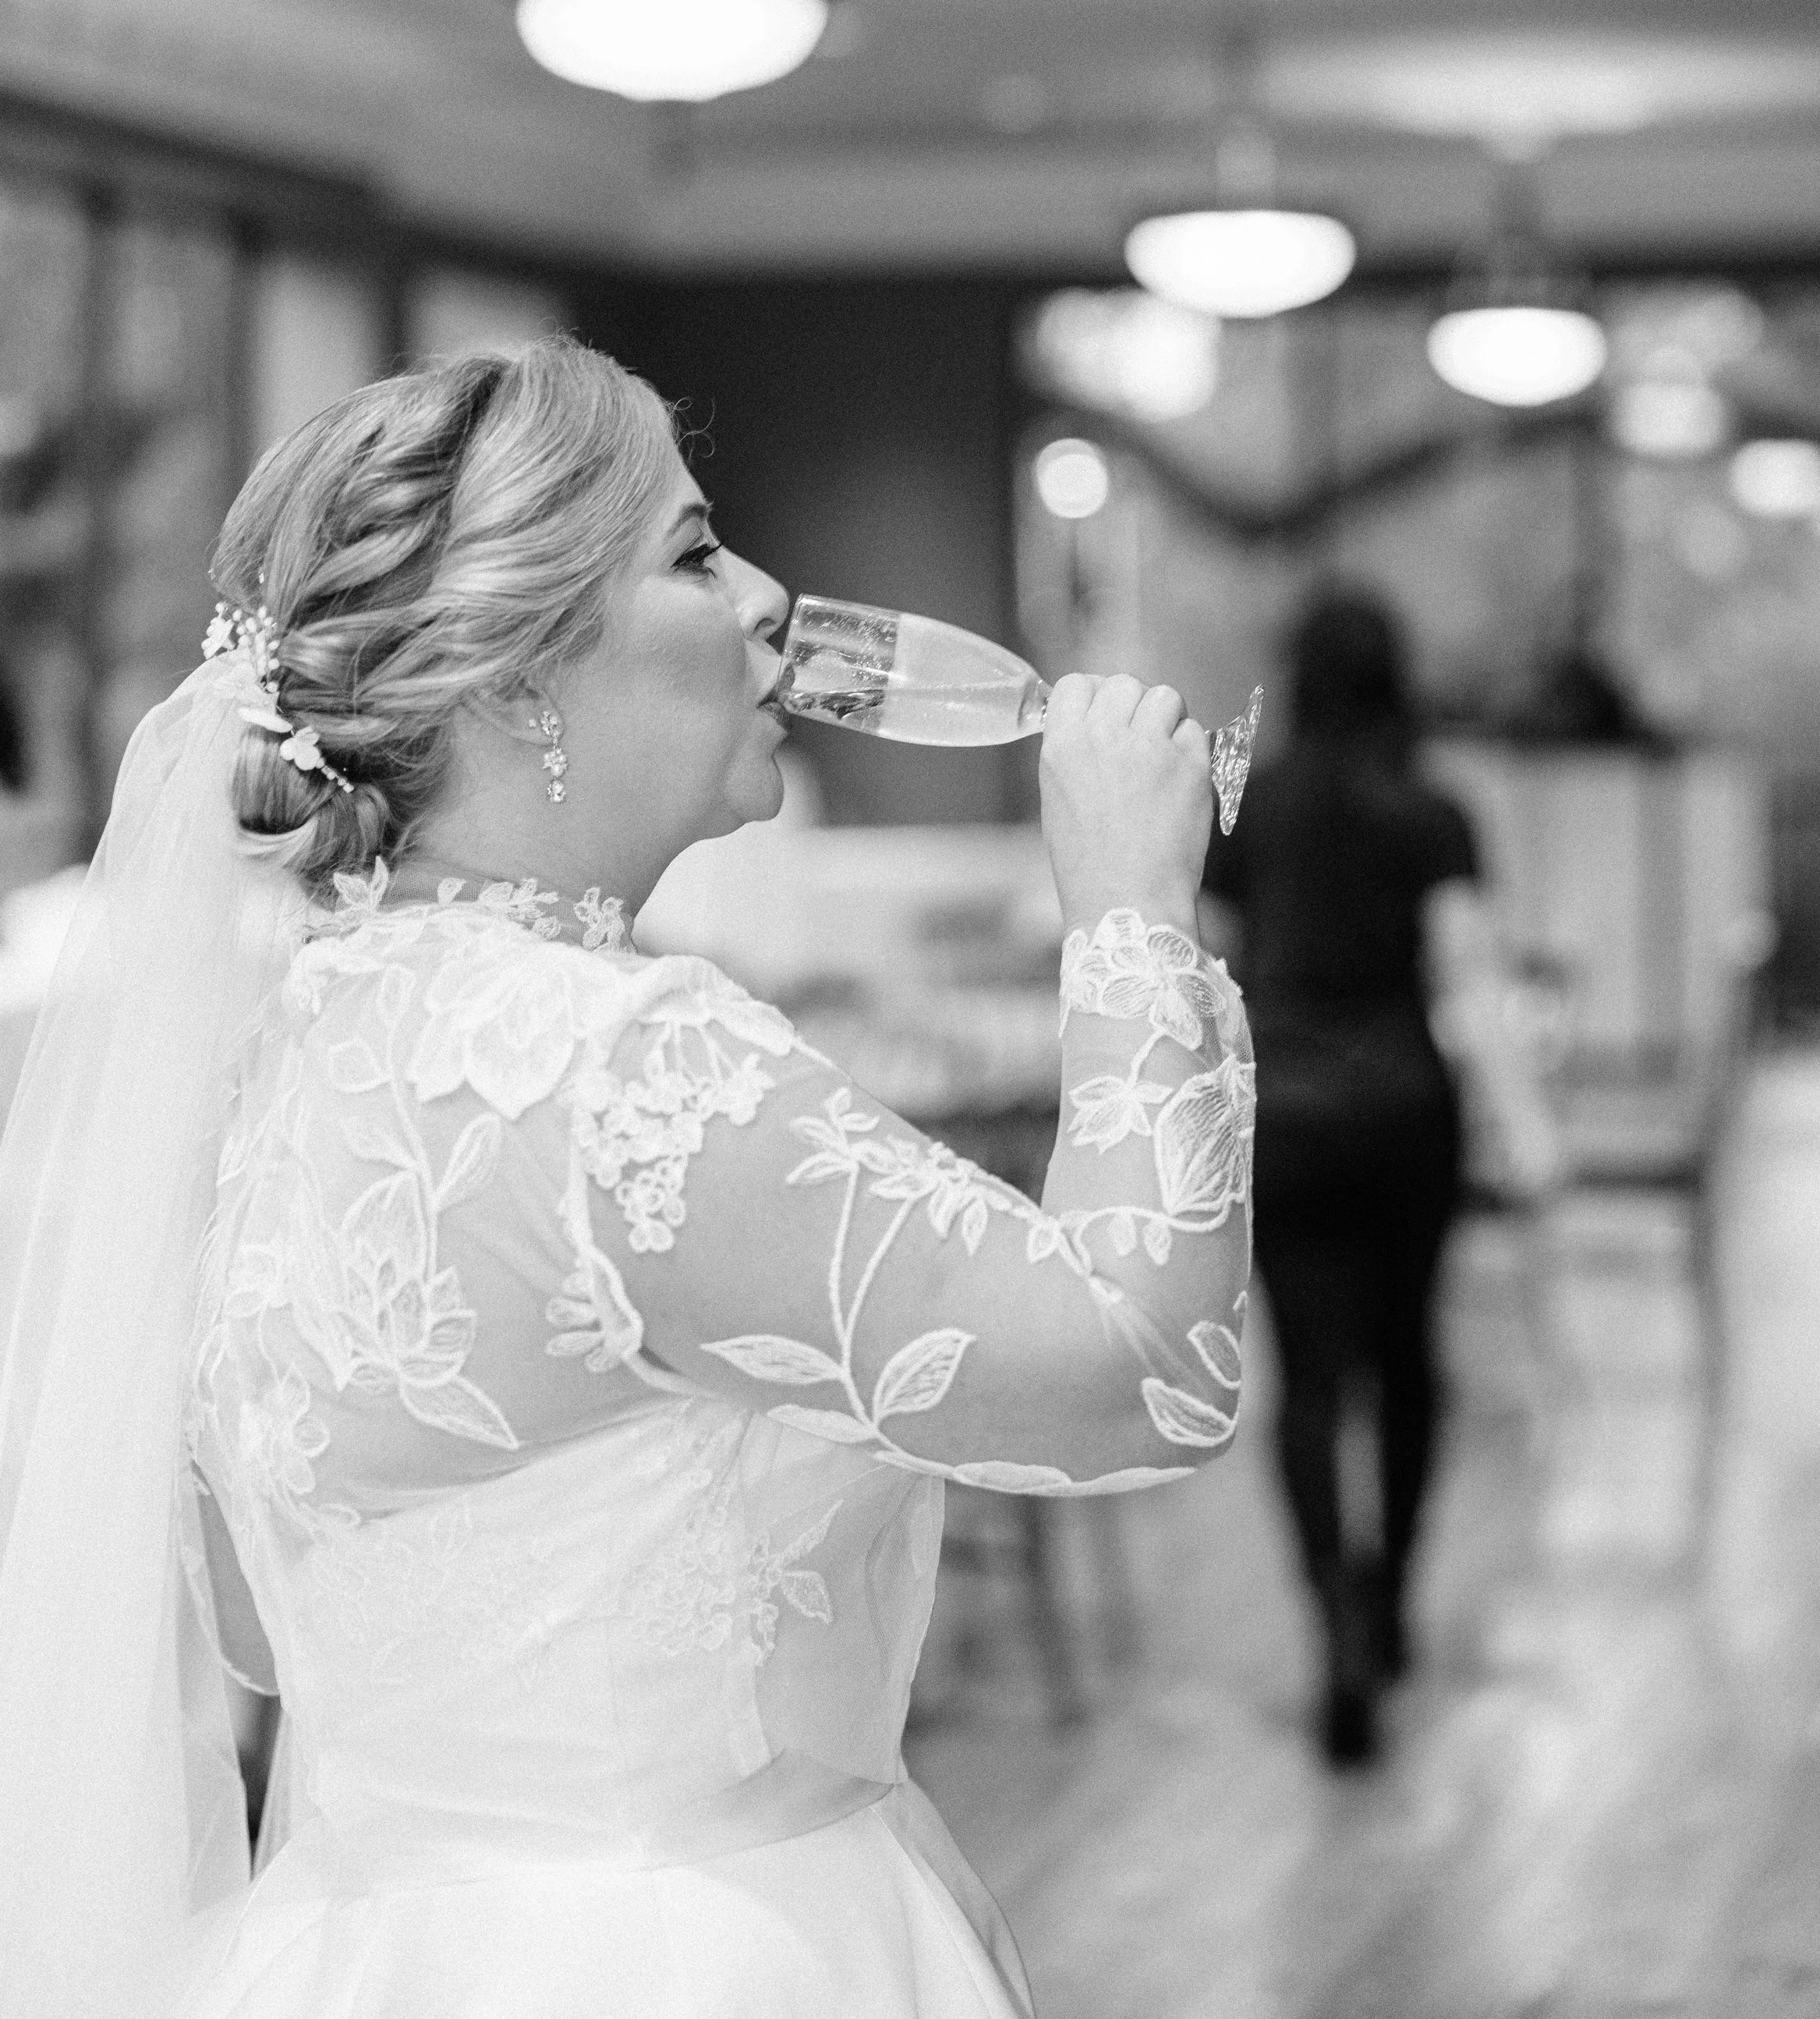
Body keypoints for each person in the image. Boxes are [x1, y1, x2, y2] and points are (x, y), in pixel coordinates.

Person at [0, 341, 1253, 2019]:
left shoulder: (289, 1053)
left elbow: (255, 1611)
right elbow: (1145, 1366)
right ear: (518, 679)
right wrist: (1131, 905)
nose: (765, 598)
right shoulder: (614, 1070)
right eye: (688, 551)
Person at [1202, 583, 1479, 1766]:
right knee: (1411, 1365)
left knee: (1310, 1384)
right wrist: (1528, 1133)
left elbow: (1209, 967)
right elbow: (1469, 984)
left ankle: (1333, 1631)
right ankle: (1394, 1599)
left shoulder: (1246, 810)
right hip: (1407, 1115)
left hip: (1291, 1122)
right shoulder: (1432, 811)